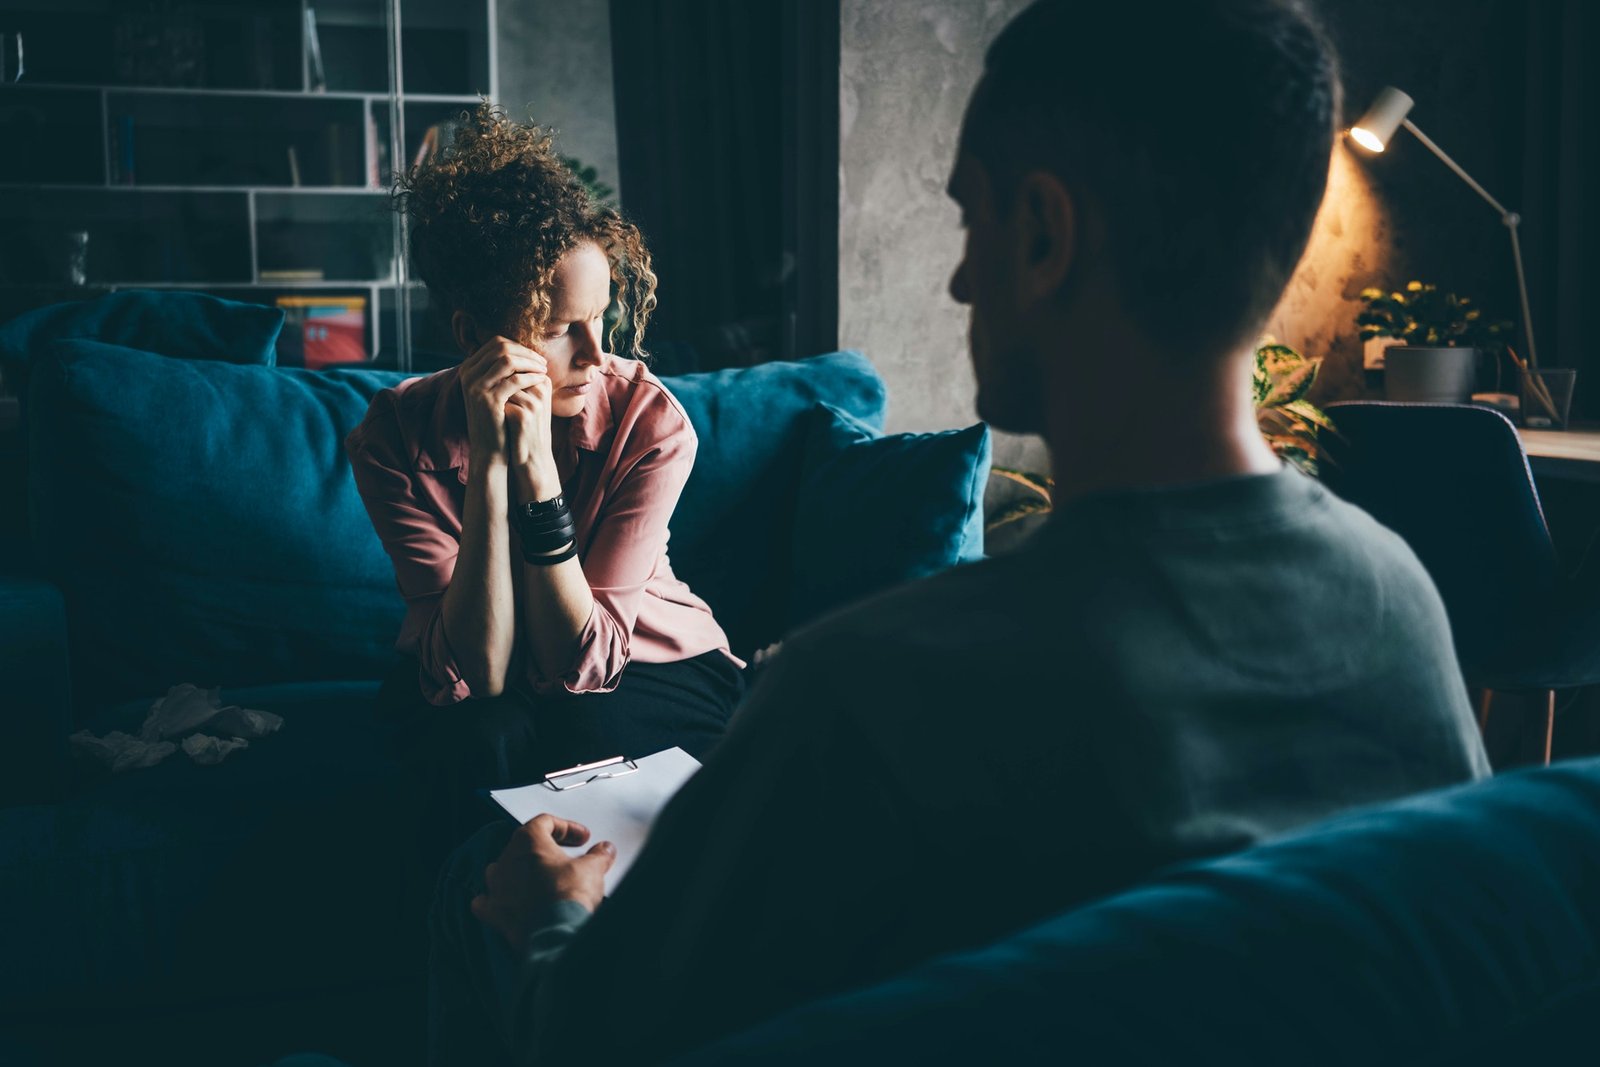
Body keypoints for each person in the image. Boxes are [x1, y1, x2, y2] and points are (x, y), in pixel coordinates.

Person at [429, 2, 1491, 1063]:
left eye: (970, 220)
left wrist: (550, 919)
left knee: (479, 881)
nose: (958, 278)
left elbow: (587, 1034)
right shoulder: (1396, 603)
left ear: (1042, 233)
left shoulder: (867, 687)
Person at [345, 105, 744, 834]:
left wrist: (540, 472)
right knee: (474, 745)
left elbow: (579, 662)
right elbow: (481, 671)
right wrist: (497, 460)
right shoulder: (391, 440)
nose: (597, 355)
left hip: (641, 656)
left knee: (596, 743)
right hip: (473, 676)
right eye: (562, 330)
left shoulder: (650, 424)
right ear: (474, 335)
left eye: (602, 319)